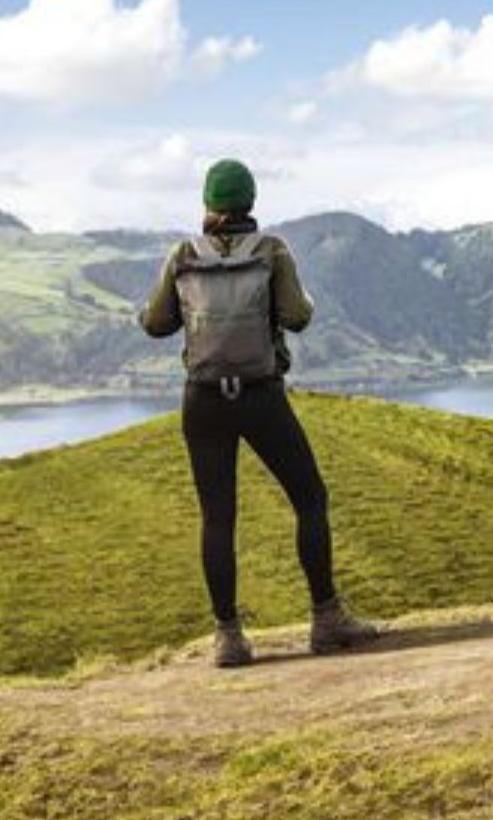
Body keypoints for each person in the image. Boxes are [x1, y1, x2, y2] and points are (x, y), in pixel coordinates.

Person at [138, 158, 379, 667]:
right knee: (310, 497)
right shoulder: (271, 251)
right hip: (260, 395)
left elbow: (155, 324)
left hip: (202, 400)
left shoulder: (183, 255)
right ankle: (326, 618)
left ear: (208, 204)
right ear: (250, 202)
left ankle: (228, 637)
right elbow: (298, 316)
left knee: (218, 518)